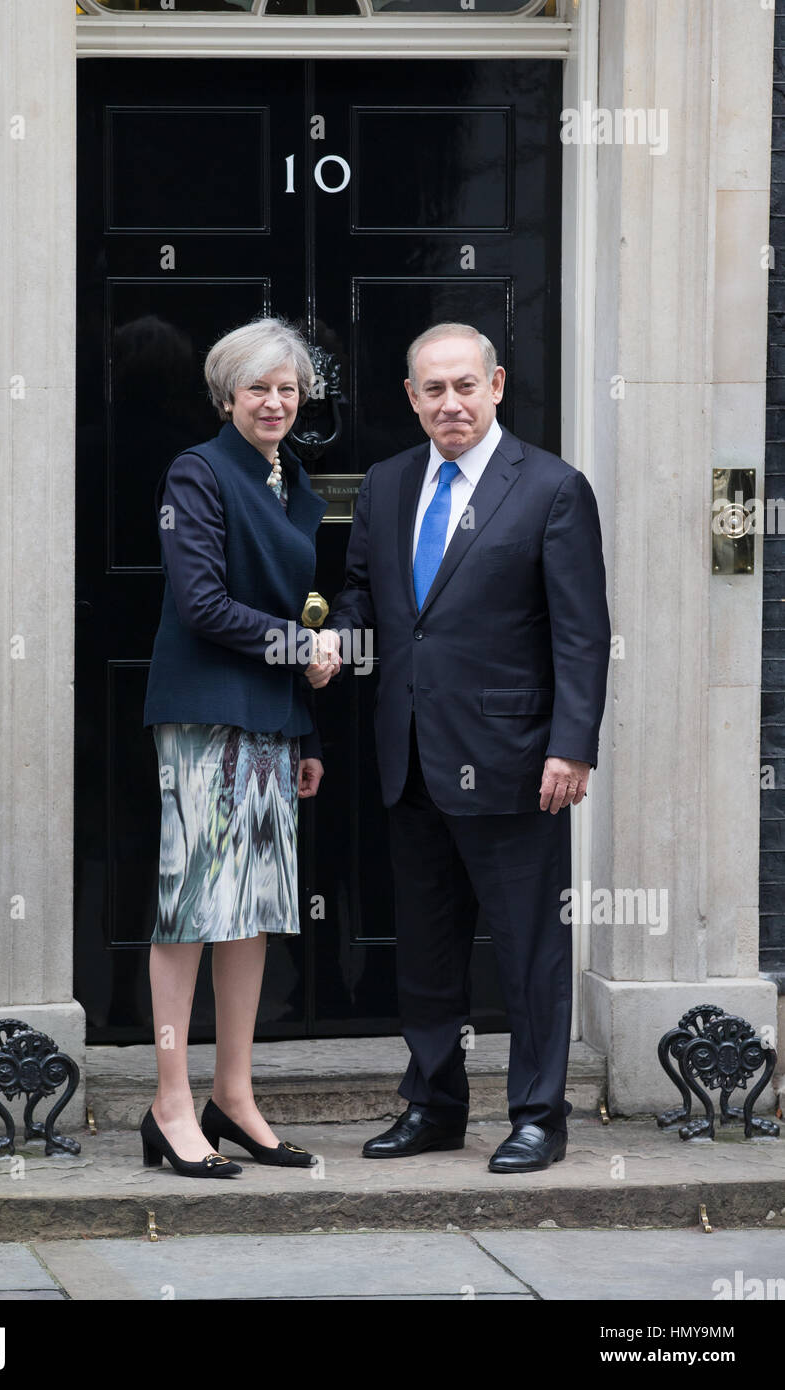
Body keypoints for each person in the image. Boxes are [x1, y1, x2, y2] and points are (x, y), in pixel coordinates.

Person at [312, 322, 610, 1173]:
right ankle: (435, 1105)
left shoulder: (552, 488)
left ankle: (537, 1117)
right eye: (432, 390)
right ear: (410, 398)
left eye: (464, 387)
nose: (450, 404)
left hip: (518, 760)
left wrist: (571, 746)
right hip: (410, 754)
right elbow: (366, 593)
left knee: (527, 950)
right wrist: (339, 639)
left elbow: (582, 634)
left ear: (497, 385)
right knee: (428, 950)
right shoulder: (386, 483)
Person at [141, 316, 334, 1178]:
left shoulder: (295, 482)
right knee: (190, 911)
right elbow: (203, 605)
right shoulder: (197, 471)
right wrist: (303, 652)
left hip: (267, 719)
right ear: (226, 396)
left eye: (287, 387)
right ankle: (169, 1102)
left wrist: (305, 727)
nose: (274, 401)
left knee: (253, 912)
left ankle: (234, 1095)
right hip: (202, 716)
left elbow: (299, 616)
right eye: (257, 387)